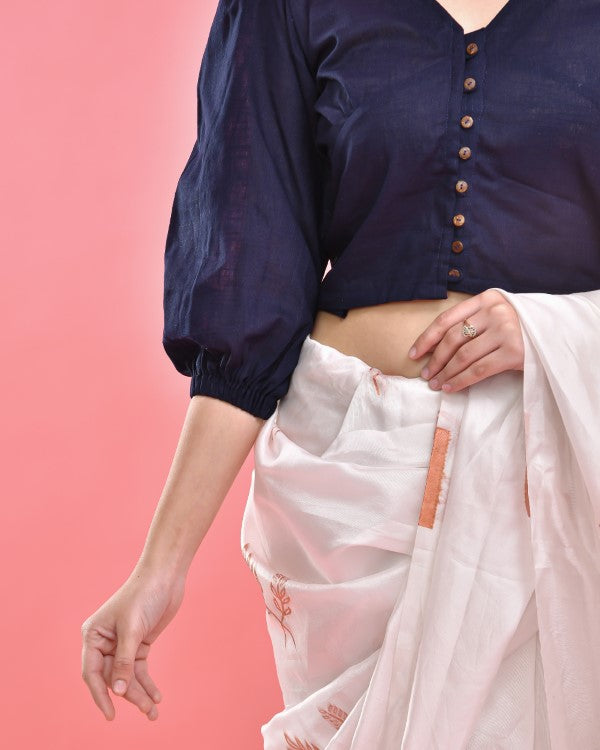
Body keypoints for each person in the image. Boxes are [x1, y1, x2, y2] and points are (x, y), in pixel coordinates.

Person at [81, 0, 600, 747]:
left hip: (551, 482)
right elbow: (251, 281)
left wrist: (548, 331)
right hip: (354, 482)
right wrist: (160, 568)